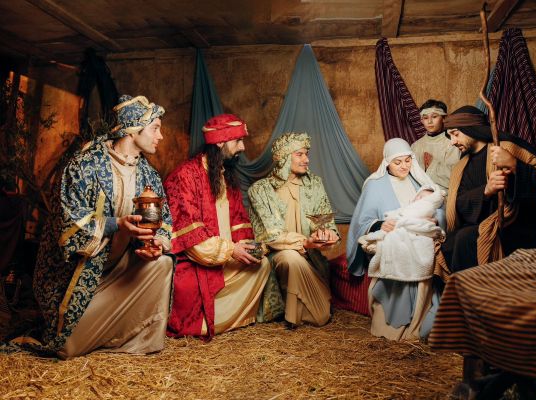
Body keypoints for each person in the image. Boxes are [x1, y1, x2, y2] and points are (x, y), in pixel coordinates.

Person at [29, 95, 173, 358]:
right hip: (78, 278)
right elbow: (68, 225)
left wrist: (155, 244)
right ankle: (85, 332)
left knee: (162, 264)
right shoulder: (84, 166)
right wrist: (117, 224)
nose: (160, 136)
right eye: (155, 128)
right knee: (66, 349)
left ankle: (138, 340)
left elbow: (163, 221)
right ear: (132, 130)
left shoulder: (149, 175)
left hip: (119, 271)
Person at [164, 114, 271, 339]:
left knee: (262, 265)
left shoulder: (227, 176)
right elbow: (193, 243)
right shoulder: (185, 176)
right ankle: (206, 323)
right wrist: (231, 250)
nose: (242, 147)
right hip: (194, 261)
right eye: (238, 141)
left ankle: (221, 319)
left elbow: (239, 223)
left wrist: (249, 248)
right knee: (188, 286)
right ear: (220, 142)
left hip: (224, 258)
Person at [442, 105, 536, 272]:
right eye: (450, 136)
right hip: (482, 224)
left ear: (470, 128)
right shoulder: (461, 167)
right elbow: (458, 204)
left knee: (465, 239)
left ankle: (473, 287)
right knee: (446, 245)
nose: (453, 142)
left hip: (517, 224)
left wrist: (515, 165)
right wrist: (486, 191)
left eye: (455, 134)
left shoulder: (507, 148)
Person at [347, 138, 448, 341]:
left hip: (419, 238)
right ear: (387, 162)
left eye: (407, 160)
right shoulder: (374, 186)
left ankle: (418, 322)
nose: (404, 166)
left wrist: (435, 219)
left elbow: (438, 208)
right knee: (399, 251)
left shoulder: (420, 182)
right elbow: (361, 222)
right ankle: (393, 326)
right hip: (391, 238)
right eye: (397, 162)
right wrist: (380, 224)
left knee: (421, 253)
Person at [248, 132, 339, 328]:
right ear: (283, 157)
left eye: (307, 154)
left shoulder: (315, 184)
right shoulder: (260, 190)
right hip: (277, 257)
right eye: (299, 154)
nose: (306, 159)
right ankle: (292, 314)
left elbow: (325, 221)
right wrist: (305, 242)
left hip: (310, 258)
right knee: (290, 256)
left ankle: (298, 310)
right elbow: (271, 236)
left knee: (321, 316)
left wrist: (326, 234)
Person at [358, 185, 445, 283]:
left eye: (421, 197)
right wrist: (382, 223)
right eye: (418, 196)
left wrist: (435, 220)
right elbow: (364, 221)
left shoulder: (423, 186)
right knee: (393, 239)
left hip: (417, 234)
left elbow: (438, 210)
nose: (417, 199)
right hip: (393, 229)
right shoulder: (375, 185)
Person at [411, 99, 460, 191]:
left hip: (444, 194)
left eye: (434, 117)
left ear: (444, 118)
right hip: (417, 193)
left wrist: (431, 164)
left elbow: (454, 176)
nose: (429, 121)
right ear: (421, 120)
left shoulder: (453, 143)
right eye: (425, 118)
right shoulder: (415, 146)